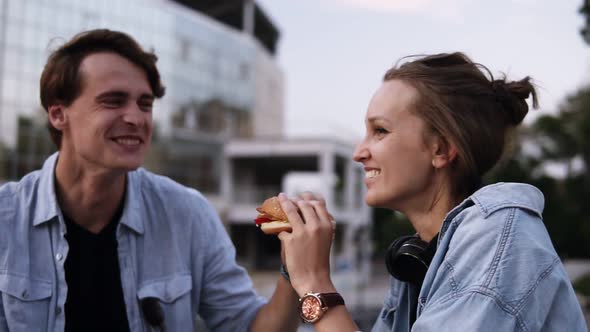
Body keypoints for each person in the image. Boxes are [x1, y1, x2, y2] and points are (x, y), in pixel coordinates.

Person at [0, 29, 300, 332]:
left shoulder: (188, 214)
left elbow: (250, 326)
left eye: (145, 104)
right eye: (113, 101)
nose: (136, 118)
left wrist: (294, 270)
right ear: (57, 114)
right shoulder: (5, 219)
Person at [277, 52, 588, 331]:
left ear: (440, 149)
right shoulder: (417, 263)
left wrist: (314, 282)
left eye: (380, 131)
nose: (359, 152)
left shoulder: (500, 239)